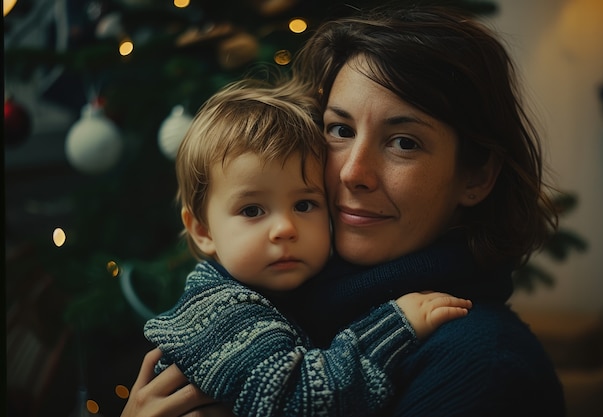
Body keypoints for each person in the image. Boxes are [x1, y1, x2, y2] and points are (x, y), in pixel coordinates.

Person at [122, 4, 566, 416]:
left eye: (403, 142)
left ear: (476, 177)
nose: (354, 172)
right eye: (339, 129)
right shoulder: (280, 302)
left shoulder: (483, 366)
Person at [139, 78, 473, 417]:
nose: (285, 229)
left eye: (304, 205)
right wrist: (394, 326)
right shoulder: (221, 310)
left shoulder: (289, 293)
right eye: (252, 211)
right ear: (202, 230)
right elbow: (300, 401)